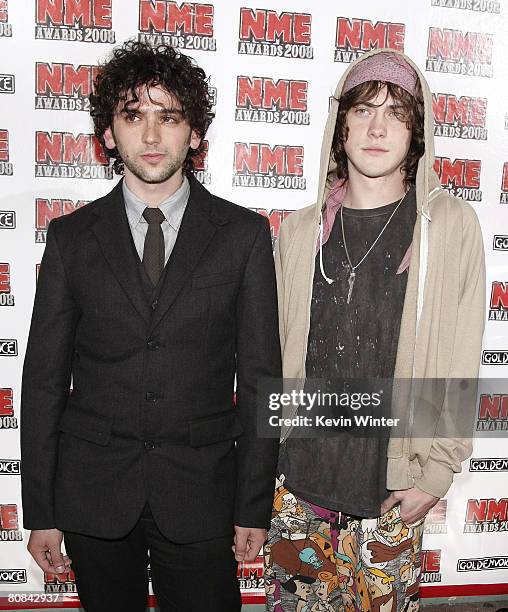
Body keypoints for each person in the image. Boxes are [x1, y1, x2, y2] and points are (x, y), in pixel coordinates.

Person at [21, 40, 281, 612]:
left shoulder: (242, 236)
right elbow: (42, 383)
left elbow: (262, 380)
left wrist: (252, 505)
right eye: (134, 116)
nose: (153, 136)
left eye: (170, 116)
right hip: (93, 493)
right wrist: (40, 512)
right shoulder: (71, 241)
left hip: (202, 493)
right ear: (109, 134)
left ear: (194, 133)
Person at [265, 49, 485, 611]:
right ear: (341, 127)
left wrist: (435, 475)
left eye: (397, 113)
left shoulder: (450, 227)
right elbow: (275, 355)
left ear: (418, 133)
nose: (378, 127)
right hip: (299, 492)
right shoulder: (296, 234)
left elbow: (461, 360)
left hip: (392, 495)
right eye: (363, 110)